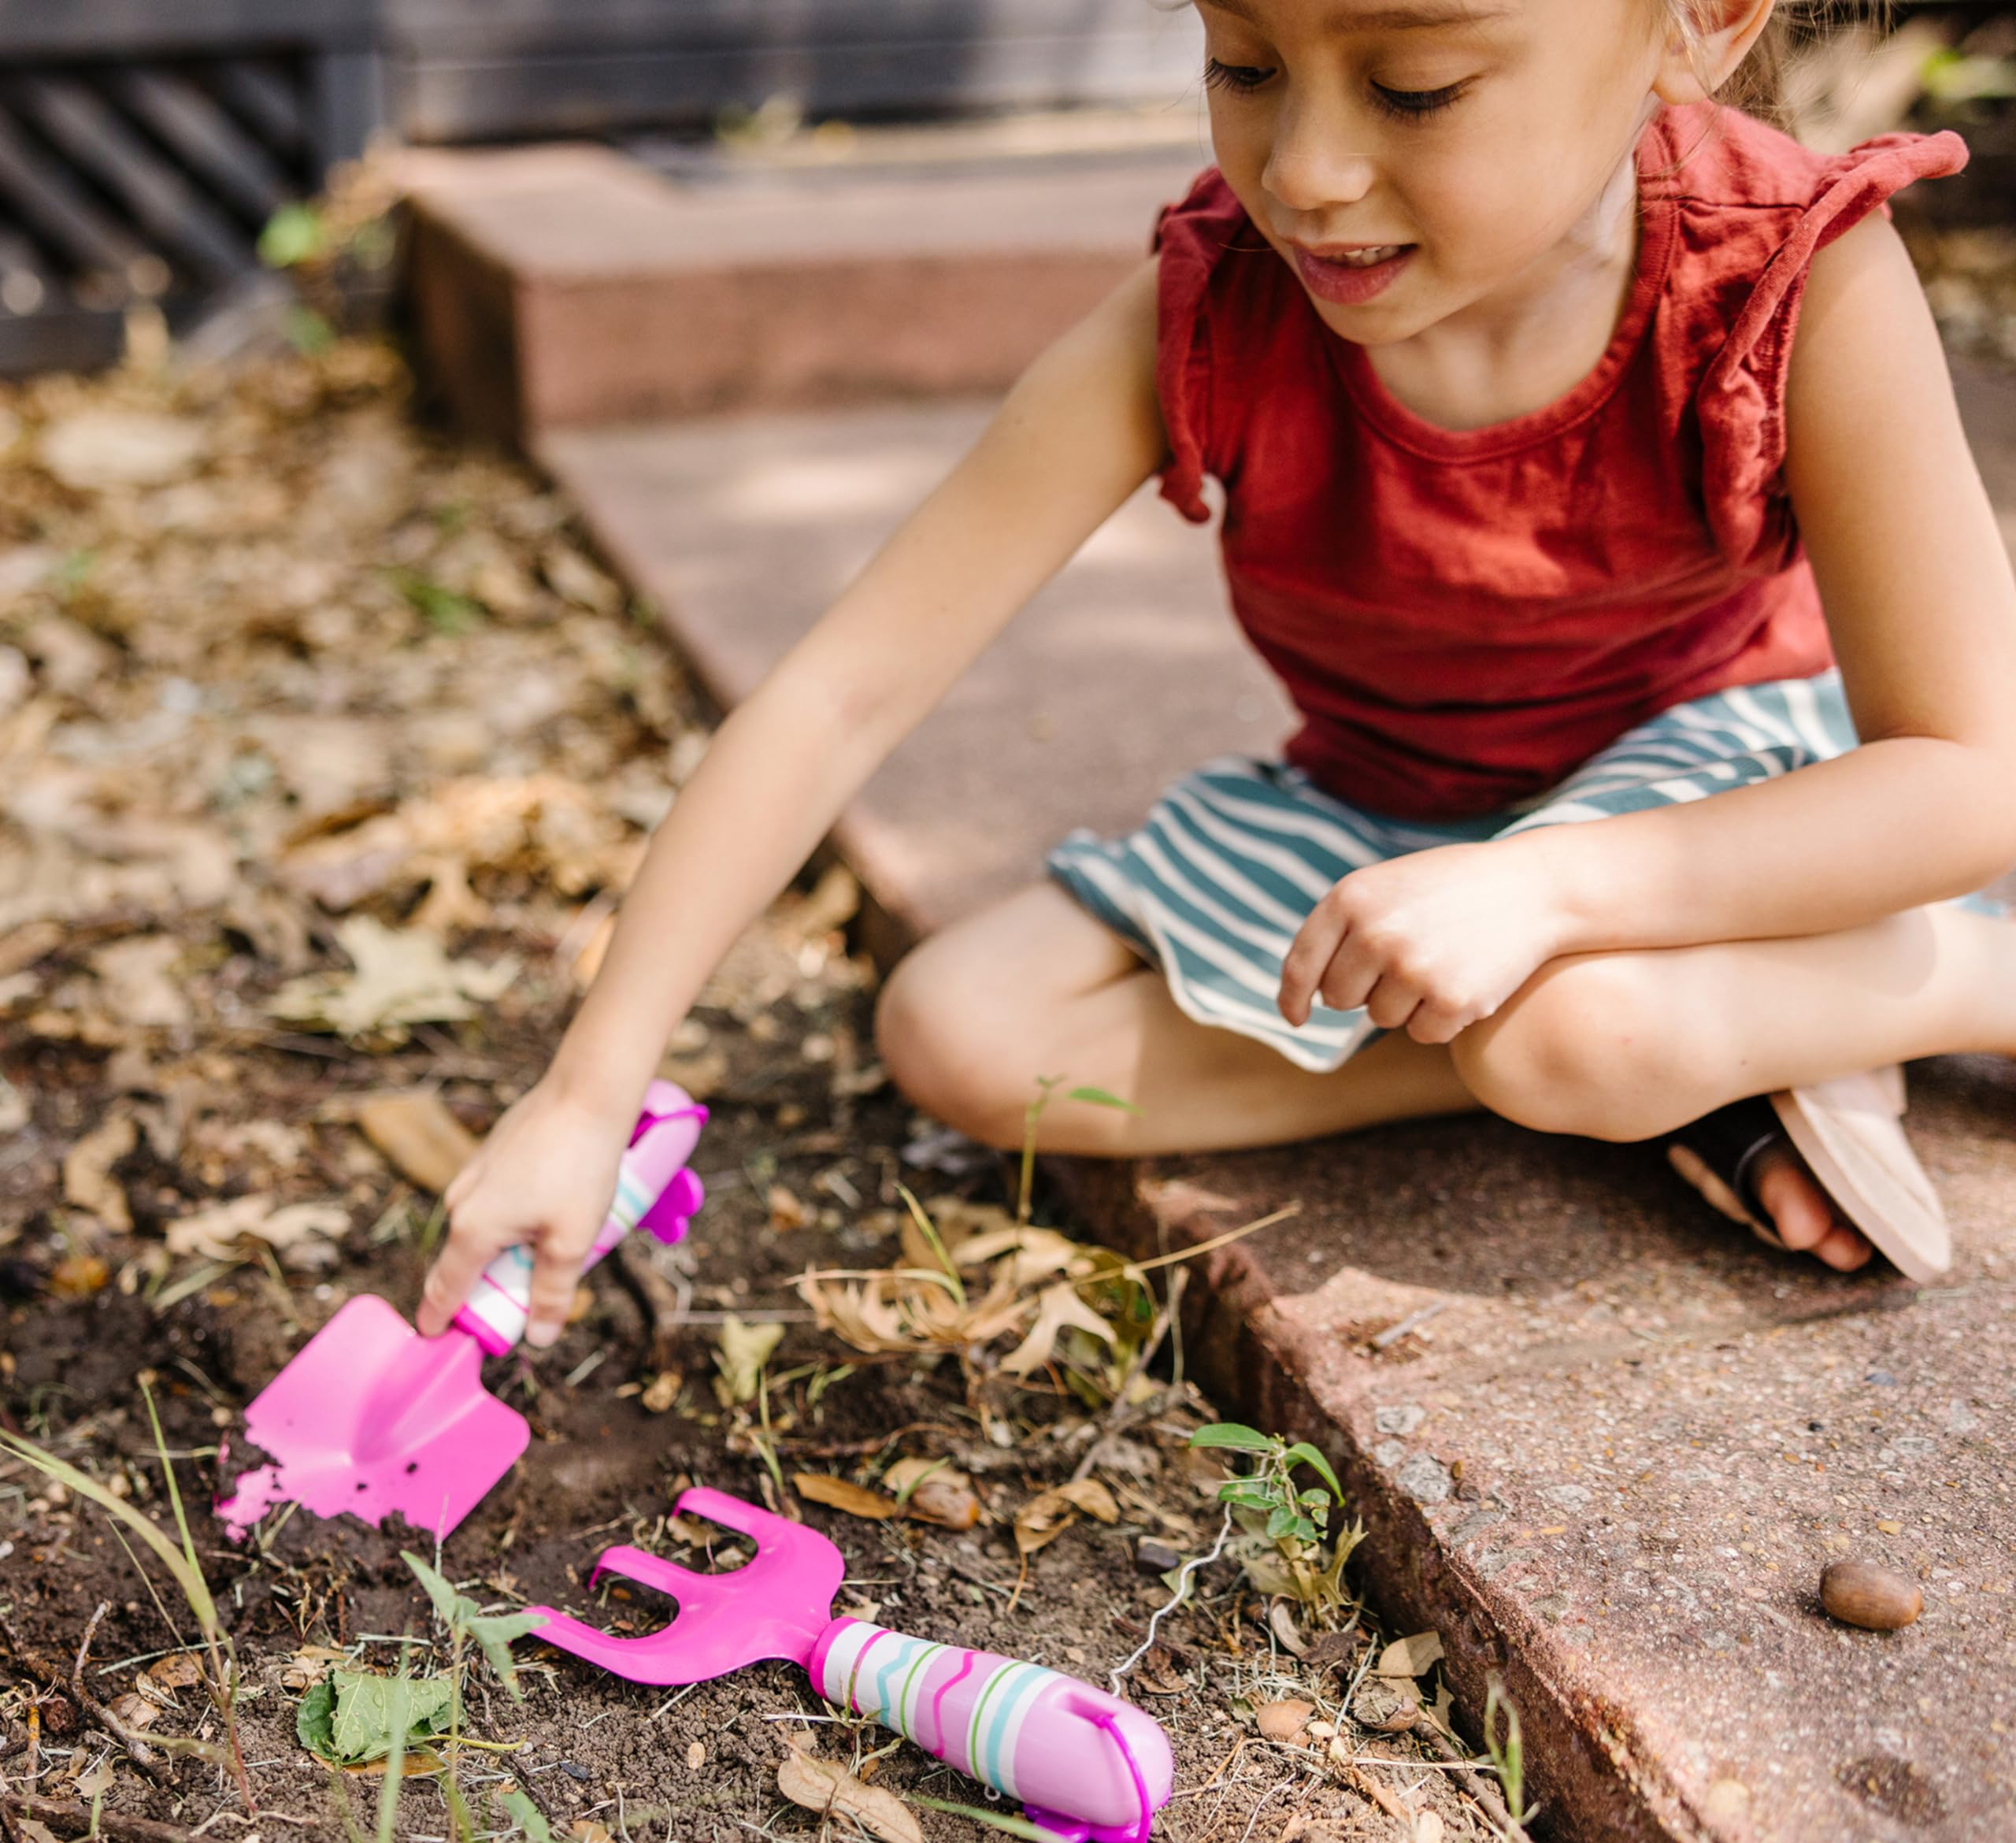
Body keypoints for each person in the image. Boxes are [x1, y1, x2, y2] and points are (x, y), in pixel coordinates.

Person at [416, 0, 2016, 1346]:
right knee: (966, 1037)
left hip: (1710, 766)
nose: (1304, 171)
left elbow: (1970, 770)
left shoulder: (1790, 275)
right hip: (1388, 804)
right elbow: (843, 686)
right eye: (1242, 61)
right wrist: (581, 1092)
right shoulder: (1216, 303)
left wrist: (1559, 893)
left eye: (1412, 87)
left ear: (1698, 19)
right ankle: (1706, 1041)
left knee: (1569, 1035)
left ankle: (1944, 982)